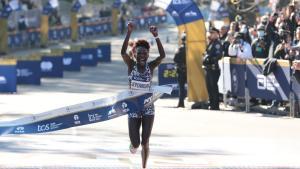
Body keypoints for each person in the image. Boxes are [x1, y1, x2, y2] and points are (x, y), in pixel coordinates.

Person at [121, 21, 165, 169]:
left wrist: (156, 36)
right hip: (133, 106)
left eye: (145, 53)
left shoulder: (151, 66)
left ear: (147, 55)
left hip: (148, 106)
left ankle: (144, 167)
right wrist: (128, 32)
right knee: (136, 143)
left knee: (145, 141)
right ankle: (132, 145)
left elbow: (162, 55)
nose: (142, 56)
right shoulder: (131, 65)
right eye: (139, 53)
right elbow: (122, 53)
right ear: (135, 54)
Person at [202, 27, 223, 110]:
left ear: (217, 34)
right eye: (210, 33)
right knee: (209, 87)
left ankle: (215, 105)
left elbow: (218, 55)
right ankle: (211, 103)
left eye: (212, 33)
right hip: (208, 68)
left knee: (213, 87)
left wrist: (209, 59)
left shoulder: (217, 43)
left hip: (214, 68)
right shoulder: (211, 43)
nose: (210, 34)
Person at [173, 32, 187, 108]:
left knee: (181, 88)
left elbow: (175, 59)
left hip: (181, 70)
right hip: (189, 70)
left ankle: (181, 103)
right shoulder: (190, 49)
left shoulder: (180, 49)